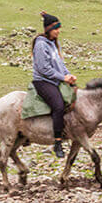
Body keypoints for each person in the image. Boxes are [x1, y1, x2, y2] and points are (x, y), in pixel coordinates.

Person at [31, 11, 77, 158]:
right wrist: (63, 78)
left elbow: (60, 64)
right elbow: (43, 69)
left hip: (56, 80)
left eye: (59, 28)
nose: (58, 31)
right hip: (43, 82)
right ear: (49, 29)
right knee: (58, 105)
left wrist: (69, 75)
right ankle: (57, 142)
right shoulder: (40, 45)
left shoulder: (53, 44)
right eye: (56, 28)